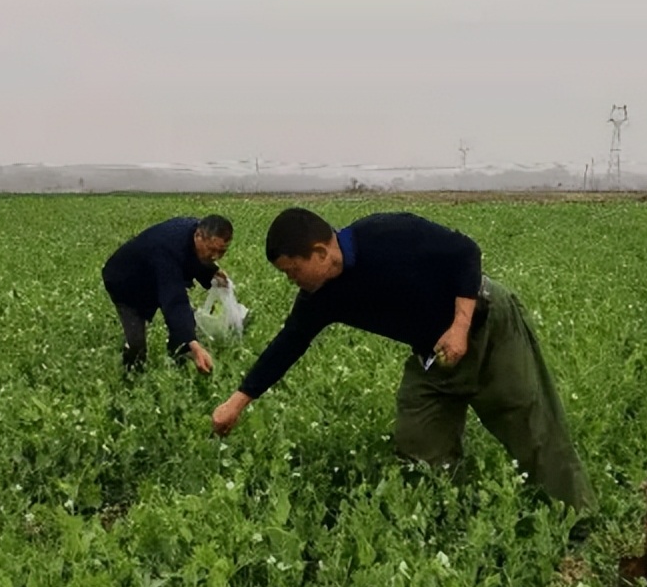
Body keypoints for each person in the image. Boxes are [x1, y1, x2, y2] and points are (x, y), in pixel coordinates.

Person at [210, 207, 595, 514]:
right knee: (418, 437)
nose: (292, 281)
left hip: (485, 322)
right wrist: (236, 402)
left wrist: (459, 327)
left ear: (320, 253)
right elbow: (287, 344)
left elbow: (465, 252)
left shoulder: (386, 234)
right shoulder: (320, 296)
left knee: (528, 422)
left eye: (293, 271)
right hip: (432, 352)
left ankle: (578, 522)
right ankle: (453, 512)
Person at [102, 214, 233, 374]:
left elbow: (191, 258)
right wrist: (194, 344)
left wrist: (212, 272)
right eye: (212, 250)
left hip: (153, 275)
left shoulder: (193, 234)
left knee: (185, 324)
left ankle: (179, 357)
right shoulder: (168, 249)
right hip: (125, 282)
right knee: (137, 344)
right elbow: (175, 301)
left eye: (221, 251)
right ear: (198, 235)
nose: (215, 257)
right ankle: (131, 380)